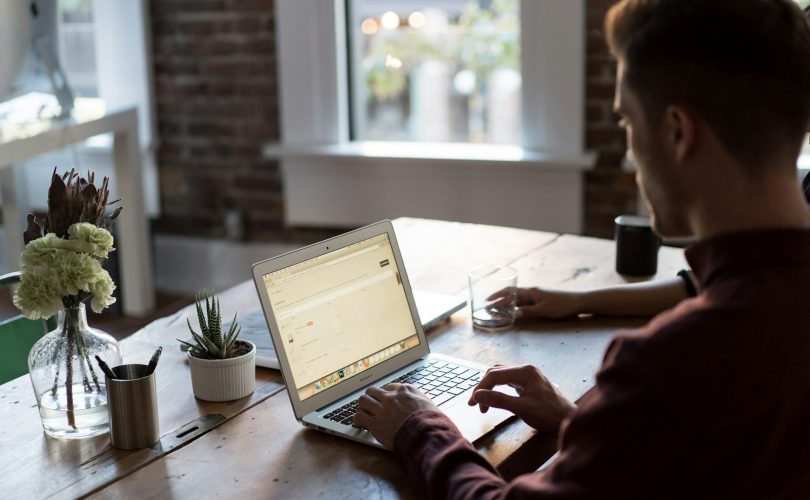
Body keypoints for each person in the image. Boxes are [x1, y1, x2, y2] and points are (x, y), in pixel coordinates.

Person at [352, 1, 810, 498]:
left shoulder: (674, 364)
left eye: (628, 125)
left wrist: (420, 427)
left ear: (678, 133)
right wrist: (581, 422)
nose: (631, 158)